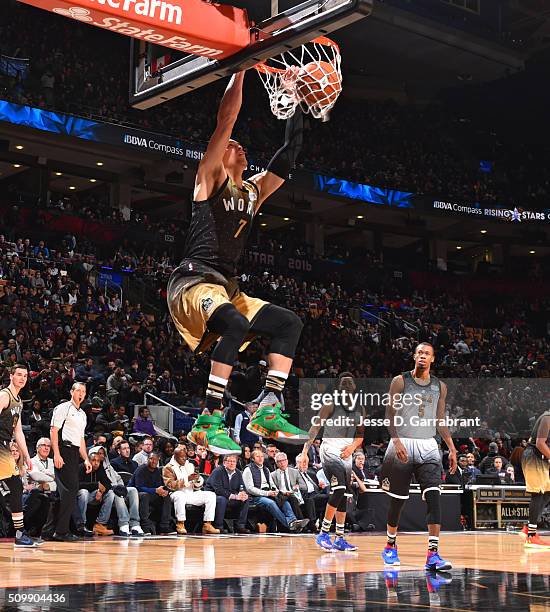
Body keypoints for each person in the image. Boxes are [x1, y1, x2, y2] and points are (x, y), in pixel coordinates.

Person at [166, 70, 307, 454]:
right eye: (233, 145)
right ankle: (208, 417)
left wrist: (293, 101)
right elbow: (226, 120)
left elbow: (289, 154)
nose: (238, 147)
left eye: (242, 146)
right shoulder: (210, 178)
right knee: (237, 322)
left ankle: (268, 407)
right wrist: (241, 67)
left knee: (288, 323)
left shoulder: (253, 189)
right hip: (191, 283)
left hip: (227, 286)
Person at [380, 342, 457, 571]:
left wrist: (451, 447)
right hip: (403, 442)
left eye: (427, 354)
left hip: (428, 445)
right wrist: (396, 440)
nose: (423, 356)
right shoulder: (400, 381)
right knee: (398, 500)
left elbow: (440, 420)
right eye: (420, 353)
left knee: (434, 496)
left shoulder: (440, 387)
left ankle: (433, 554)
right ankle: (390, 546)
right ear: (414, 356)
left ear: (433, 359)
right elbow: (389, 414)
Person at [303, 372, 365, 552]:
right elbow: (314, 428)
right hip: (330, 448)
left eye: (349, 383)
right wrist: (305, 452)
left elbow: (360, 435)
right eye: (343, 383)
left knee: (344, 494)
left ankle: (339, 538)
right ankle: (323, 533)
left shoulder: (359, 408)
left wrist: (352, 448)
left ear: (354, 387)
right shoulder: (330, 404)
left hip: (347, 451)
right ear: (339, 387)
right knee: (338, 490)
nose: (346, 386)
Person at [0, 364, 41, 547]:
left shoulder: (19, 401)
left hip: (6, 445)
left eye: (25, 375)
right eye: (19, 375)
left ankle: (19, 532)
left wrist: (26, 455)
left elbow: (18, 432)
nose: (22, 378)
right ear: (11, 376)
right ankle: (19, 533)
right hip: (0, 446)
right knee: (16, 485)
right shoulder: (4, 396)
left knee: (16, 487)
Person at [45, 382, 92, 542]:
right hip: (63, 449)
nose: (81, 393)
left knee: (62, 494)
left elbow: (80, 439)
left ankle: (48, 530)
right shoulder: (64, 408)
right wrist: (56, 454)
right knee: (69, 491)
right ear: (72, 392)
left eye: (83, 391)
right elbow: (53, 430)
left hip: (74, 452)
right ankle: (61, 531)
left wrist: (85, 458)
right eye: (78, 390)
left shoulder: (83, 414)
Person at [242, 449, 308, 533]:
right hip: (255, 497)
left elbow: (272, 485)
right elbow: (250, 489)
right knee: (271, 503)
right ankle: (290, 525)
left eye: (262, 456)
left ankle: (293, 520)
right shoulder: (248, 470)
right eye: (257, 456)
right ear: (253, 459)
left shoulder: (266, 469)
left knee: (283, 500)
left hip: (268, 493)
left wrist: (278, 492)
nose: (260, 458)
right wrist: (267, 493)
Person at [162, 445, 220, 535]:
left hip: (190, 493)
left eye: (185, 457)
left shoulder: (189, 465)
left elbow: (197, 487)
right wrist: (187, 479)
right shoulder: (168, 467)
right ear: (176, 456)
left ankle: (207, 524)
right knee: (180, 496)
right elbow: (170, 485)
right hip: (175, 493)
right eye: (182, 457)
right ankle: (180, 523)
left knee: (210, 495)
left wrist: (197, 480)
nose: (184, 459)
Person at [519, 410, 550, 547]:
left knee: (548, 493)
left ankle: (528, 528)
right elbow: (540, 443)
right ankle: (531, 535)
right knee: (537, 494)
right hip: (533, 456)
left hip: (540, 458)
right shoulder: (547, 417)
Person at [205, 454, 251, 533]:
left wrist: (243, 494)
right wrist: (235, 497)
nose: (232, 463)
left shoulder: (238, 473)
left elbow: (241, 487)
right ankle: (218, 526)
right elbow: (218, 490)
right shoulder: (218, 471)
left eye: (234, 461)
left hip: (230, 497)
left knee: (245, 499)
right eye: (229, 461)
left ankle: (240, 526)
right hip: (213, 496)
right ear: (224, 463)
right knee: (222, 499)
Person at [130, 452, 173, 535]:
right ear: (147, 459)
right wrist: (155, 490)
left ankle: (164, 526)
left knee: (166, 496)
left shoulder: (157, 471)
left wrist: (163, 491)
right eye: (151, 459)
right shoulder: (141, 469)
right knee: (145, 495)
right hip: (136, 495)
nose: (153, 461)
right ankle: (145, 526)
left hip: (151, 494)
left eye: (156, 459)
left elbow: (159, 486)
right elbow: (139, 487)